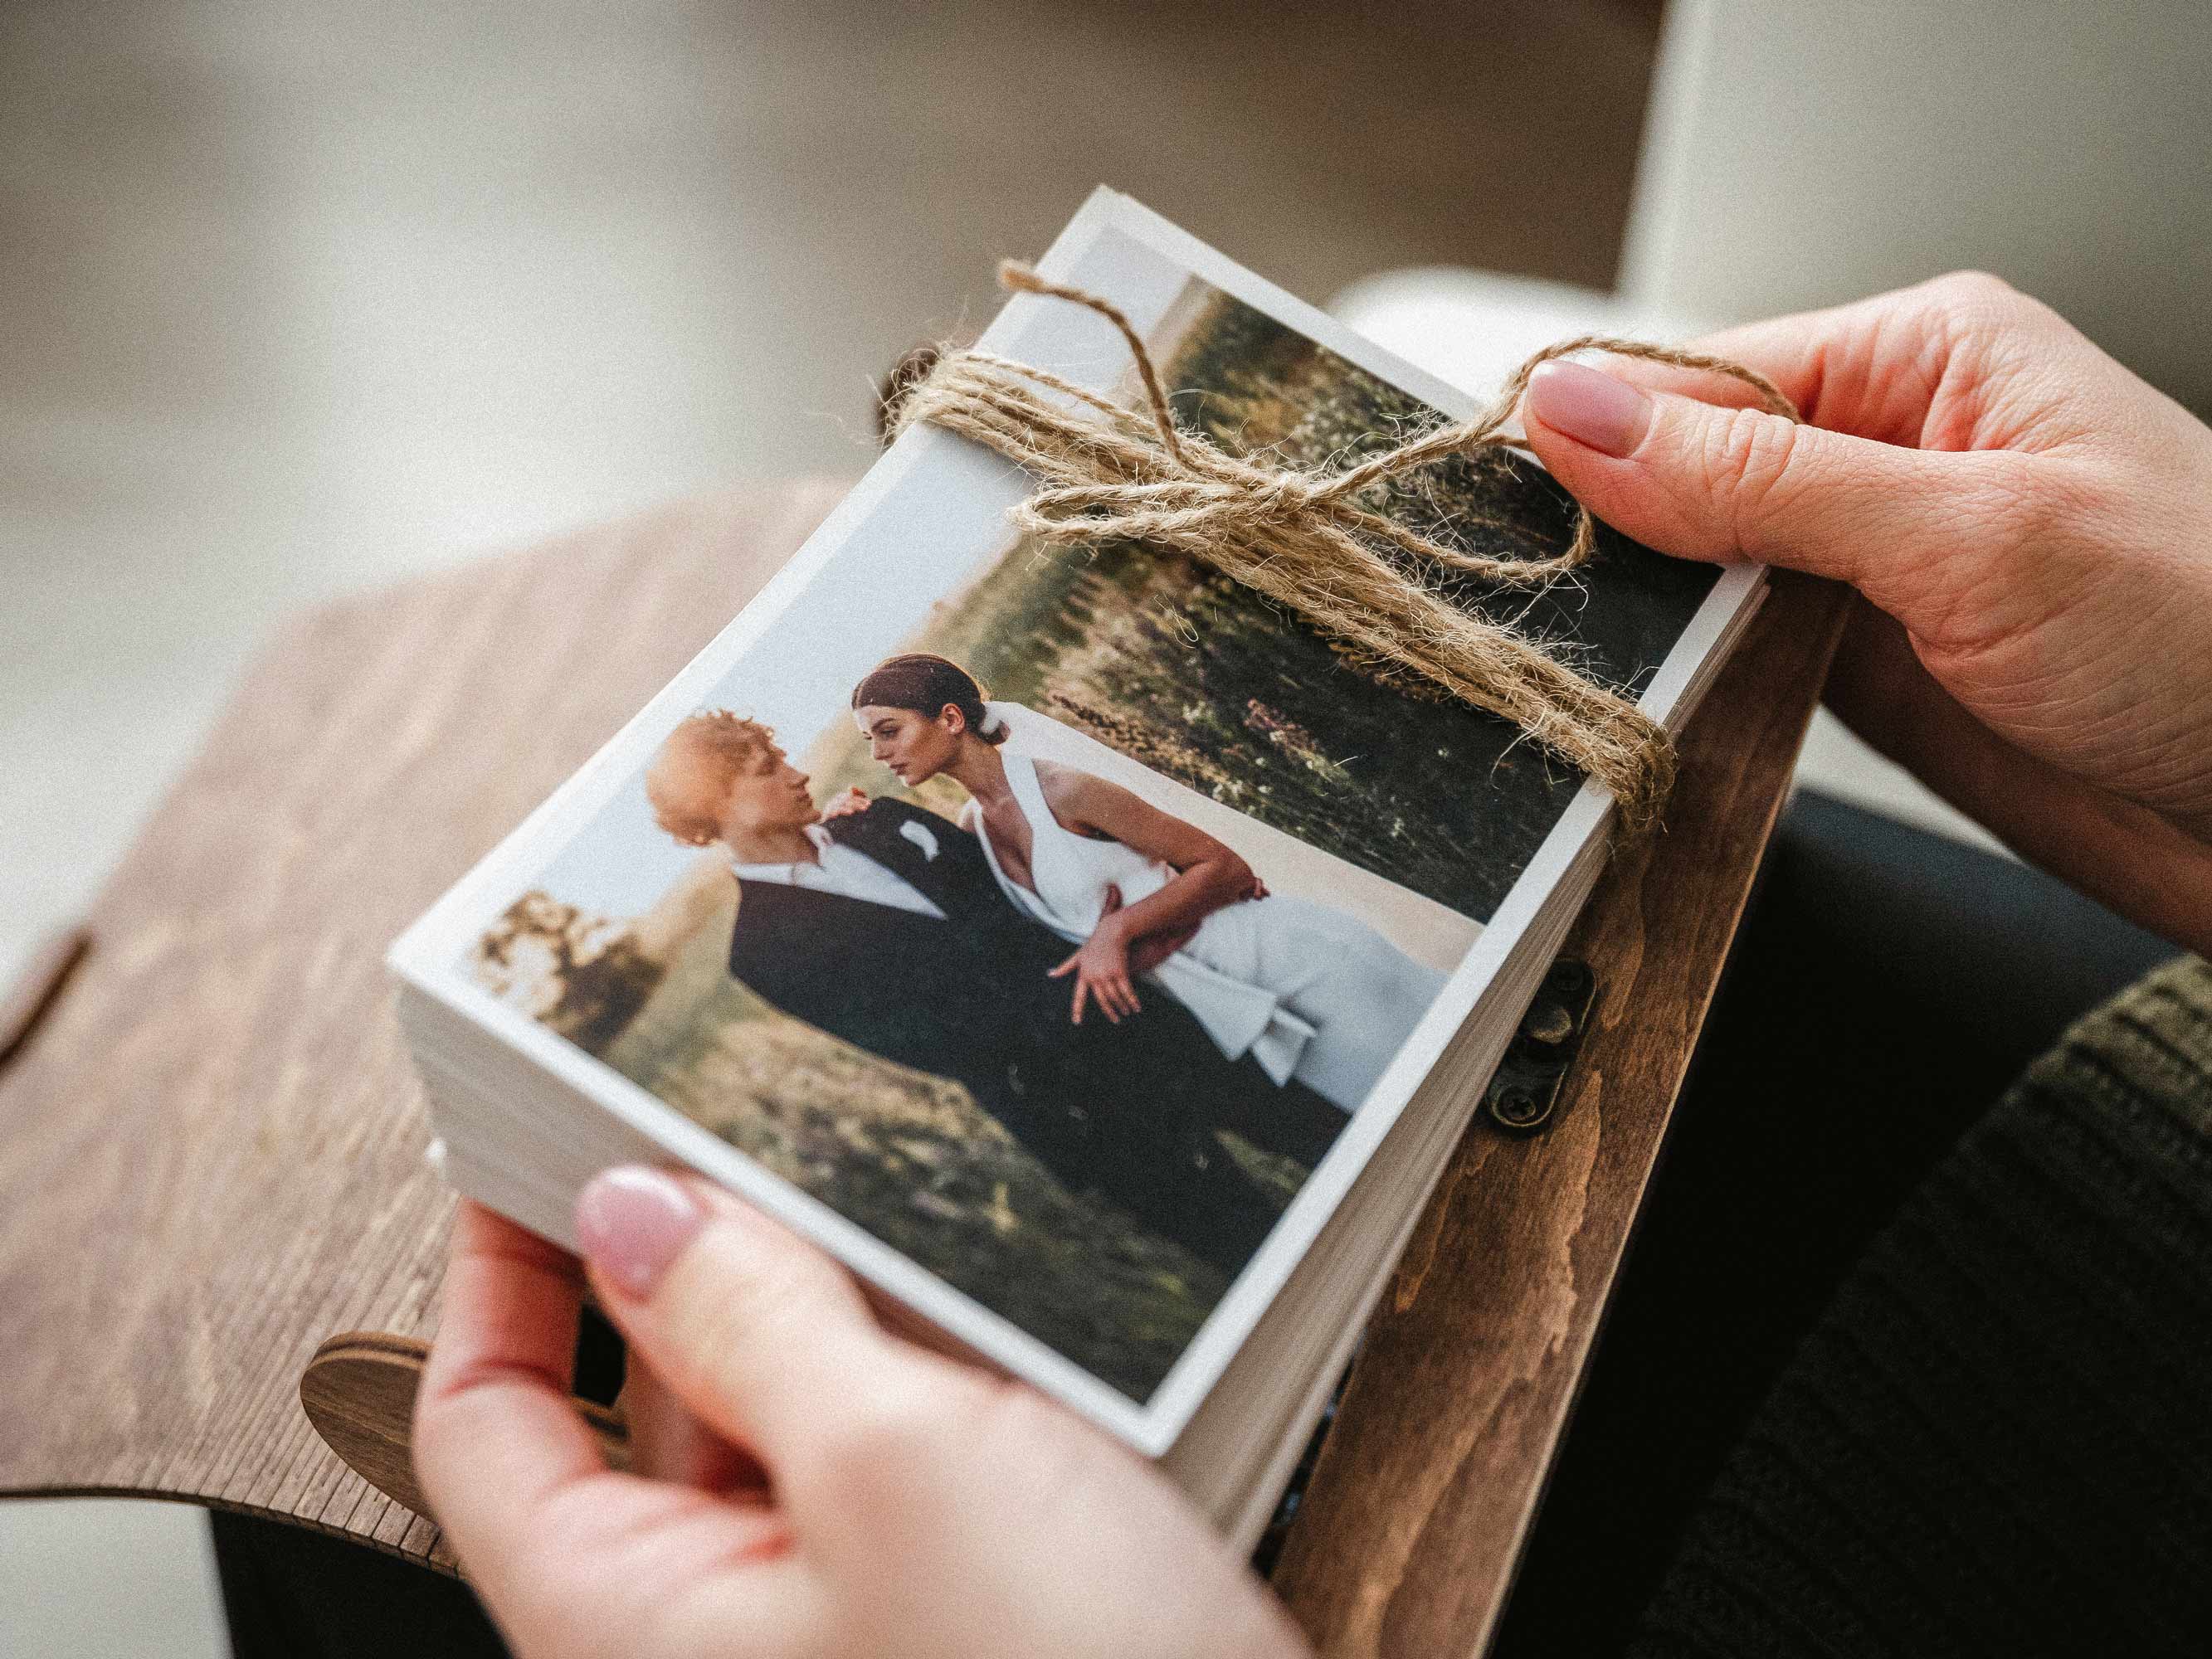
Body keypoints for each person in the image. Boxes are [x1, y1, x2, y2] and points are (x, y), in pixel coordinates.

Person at [417, 271, 2212, 1658]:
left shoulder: (969, 805)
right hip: (1109, 1095)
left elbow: (1167, 871)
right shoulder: (792, 931)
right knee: (1288, 1293)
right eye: (773, 767)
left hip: (2018, 1276)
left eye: (837, 742)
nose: (823, 764)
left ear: (942, 719)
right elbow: (950, 1021)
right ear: (715, 825)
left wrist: (1120, 929)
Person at [641, 709, 1347, 1281]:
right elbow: (928, 1041)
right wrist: (1075, 993)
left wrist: (1150, 907)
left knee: (1330, 1138)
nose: (797, 774)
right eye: (769, 772)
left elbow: (1025, 890)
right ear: (717, 804)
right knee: (1255, 1252)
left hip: (1156, 1020)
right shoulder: (761, 953)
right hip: (1076, 1110)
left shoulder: (882, 821)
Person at [845, 654, 1447, 1112]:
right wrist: (853, 827)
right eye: (869, 739)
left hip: (1290, 962)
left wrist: (1118, 933)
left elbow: (1224, 868)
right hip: (1232, 1010)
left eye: (888, 731)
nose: (878, 754)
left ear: (950, 718)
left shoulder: (1063, 790)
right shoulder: (974, 827)